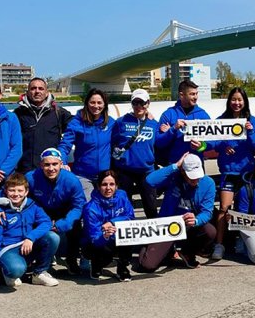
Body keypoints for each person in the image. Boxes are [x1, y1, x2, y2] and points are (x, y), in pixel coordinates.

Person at [0, 173, 60, 294]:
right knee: (16, 269)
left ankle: (38, 273)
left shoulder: (32, 205)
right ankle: (6, 272)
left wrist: (31, 237)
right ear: (6, 191)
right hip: (8, 248)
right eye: (12, 190)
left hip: (26, 244)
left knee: (52, 237)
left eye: (20, 190)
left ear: (26, 191)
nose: (16, 194)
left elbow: (46, 222)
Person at [139, 154, 216, 270]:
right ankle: (148, 244)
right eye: (191, 177)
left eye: (197, 176)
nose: (195, 179)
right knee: (148, 265)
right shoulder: (174, 176)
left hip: (188, 224)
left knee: (210, 231)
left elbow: (207, 212)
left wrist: (196, 220)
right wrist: (175, 166)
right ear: (183, 171)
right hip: (167, 224)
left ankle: (188, 252)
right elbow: (149, 181)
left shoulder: (208, 183)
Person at [208, 87, 255, 260]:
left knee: (245, 209)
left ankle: (241, 239)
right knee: (224, 208)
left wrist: (250, 130)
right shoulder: (221, 120)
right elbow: (212, 144)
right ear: (229, 101)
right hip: (229, 172)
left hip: (247, 172)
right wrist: (223, 146)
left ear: (245, 101)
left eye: (240, 100)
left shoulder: (251, 120)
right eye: (233, 99)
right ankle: (219, 244)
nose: (237, 103)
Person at [23, 148, 87, 274]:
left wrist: (64, 223)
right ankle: (32, 258)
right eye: (47, 164)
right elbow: (9, 190)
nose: (51, 168)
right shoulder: (31, 178)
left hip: (64, 209)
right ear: (41, 165)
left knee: (75, 225)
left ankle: (71, 259)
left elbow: (79, 205)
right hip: (41, 209)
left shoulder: (71, 180)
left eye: (54, 164)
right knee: (27, 220)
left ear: (61, 164)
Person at [57, 88, 115, 200]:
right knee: (88, 207)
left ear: (104, 105)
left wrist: (145, 116)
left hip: (104, 177)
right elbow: (64, 145)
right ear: (87, 103)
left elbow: (125, 130)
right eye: (92, 102)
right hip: (83, 176)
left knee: (106, 208)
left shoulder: (110, 123)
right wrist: (62, 162)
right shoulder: (76, 123)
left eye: (99, 103)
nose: (96, 106)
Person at [111, 89, 158, 218]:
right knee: (125, 207)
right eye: (135, 103)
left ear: (148, 103)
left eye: (141, 103)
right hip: (125, 171)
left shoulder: (154, 124)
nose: (138, 106)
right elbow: (112, 143)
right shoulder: (121, 122)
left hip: (146, 170)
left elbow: (161, 143)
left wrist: (172, 130)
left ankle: (154, 237)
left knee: (151, 207)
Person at [81, 170, 134, 281]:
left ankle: (123, 268)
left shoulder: (122, 195)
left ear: (116, 185)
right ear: (98, 186)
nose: (108, 188)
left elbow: (130, 216)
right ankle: (96, 264)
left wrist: (113, 222)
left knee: (130, 236)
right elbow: (94, 238)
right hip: (96, 241)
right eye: (104, 184)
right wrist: (105, 235)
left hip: (118, 236)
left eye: (112, 184)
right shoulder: (90, 208)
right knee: (105, 255)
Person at [14, 77, 72, 173]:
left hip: (50, 171)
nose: (37, 91)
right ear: (28, 92)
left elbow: (77, 129)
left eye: (41, 88)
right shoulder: (18, 114)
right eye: (33, 88)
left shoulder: (59, 113)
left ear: (46, 92)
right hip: (25, 171)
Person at [156, 80, 211, 164]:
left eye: (196, 93)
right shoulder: (168, 114)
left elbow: (213, 142)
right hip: (174, 166)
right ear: (181, 95)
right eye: (192, 94)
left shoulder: (203, 115)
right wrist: (173, 129)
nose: (196, 97)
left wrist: (201, 145)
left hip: (196, 167)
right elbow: (158, 143)